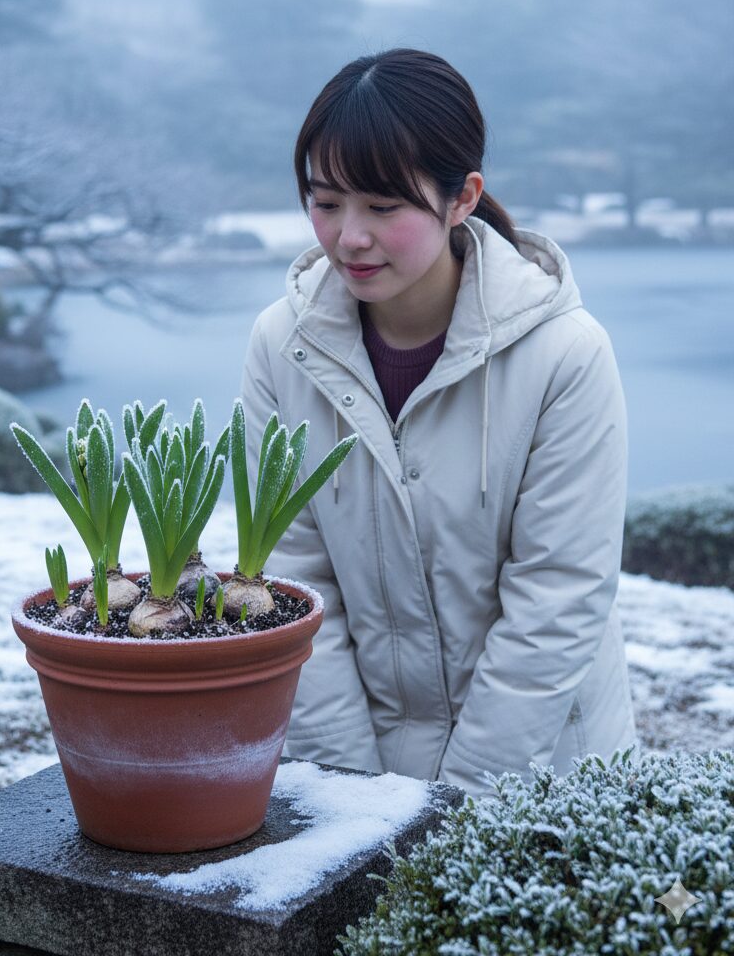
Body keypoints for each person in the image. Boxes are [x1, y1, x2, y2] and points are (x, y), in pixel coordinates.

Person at [239, 48, 640, 800]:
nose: (349, 236)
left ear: (462, 199)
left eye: (383, 207)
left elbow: (556, 601)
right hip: (357, 780)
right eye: (325, 203)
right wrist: (354, 800)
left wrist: (453, 813)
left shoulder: (564, 354)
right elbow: (293, 585)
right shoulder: (280, 343)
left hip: (548, 780)